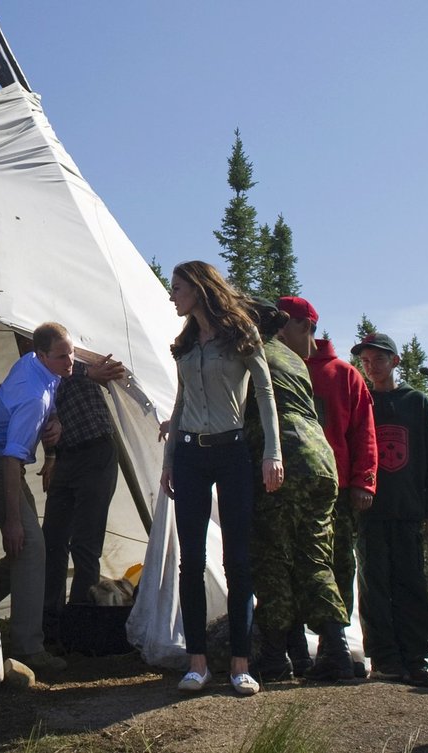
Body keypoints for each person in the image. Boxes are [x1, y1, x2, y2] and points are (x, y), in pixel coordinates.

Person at [160, 261, 283, 696]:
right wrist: (168, 460)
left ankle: (239, 663)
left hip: (232, 451)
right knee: (190, 560)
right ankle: (196, 663)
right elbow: (180, 402)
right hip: (191, 454)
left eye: (177, 288)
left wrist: (272, 452)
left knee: (238, 558)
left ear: (198, 288)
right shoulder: (185, 344)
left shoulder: (240, 335)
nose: (172, 295)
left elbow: (265, 392)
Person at [244, 300, 353, 682]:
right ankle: (335, 650)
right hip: (321, 462)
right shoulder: (292, 360)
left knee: (273, 557)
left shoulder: (249, 353)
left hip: (283, 460)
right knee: (314, 558)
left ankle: (274, 657)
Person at [277, 295, 377, 678]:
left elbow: (364, 433)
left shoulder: (343, 374)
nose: (279, 332)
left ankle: (332, 650)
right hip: (284, 486)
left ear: (305, 326)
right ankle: (296, 650)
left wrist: (363, 482)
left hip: (334, 489)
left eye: (285, 324)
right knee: (287, 564)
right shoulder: (277, 368)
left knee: (336, 564)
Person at [0, 322, 74, 673]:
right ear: (41, 355)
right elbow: (10, 458)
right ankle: (27, 647)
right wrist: (11, 521)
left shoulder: (36, 366)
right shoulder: (31, 397)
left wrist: (55, 420)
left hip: (4, 463)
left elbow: (54, 385)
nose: (71, 361)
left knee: (29, 547)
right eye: (63, 356)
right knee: (28, 545)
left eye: (71, 352)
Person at [351, 333, 428, 688]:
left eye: (379, 360)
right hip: (369, 509)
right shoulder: (362, 400)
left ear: (395, 362)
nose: (372, 367)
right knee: (374, 583)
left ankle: (416, 658)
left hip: (408, 508)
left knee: (410, 582)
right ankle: (384, 659)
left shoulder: (415, 402)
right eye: (366, 361)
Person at [41, 353, 127, 647]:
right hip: (66, 457)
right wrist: (51, 456)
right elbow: (45, 400)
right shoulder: (35, 361)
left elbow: (71, 364)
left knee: (85, 544)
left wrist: (86, 372)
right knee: (51, 541)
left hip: (95, 451)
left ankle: (81, 626)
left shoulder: (73, 351)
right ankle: (51, 625)